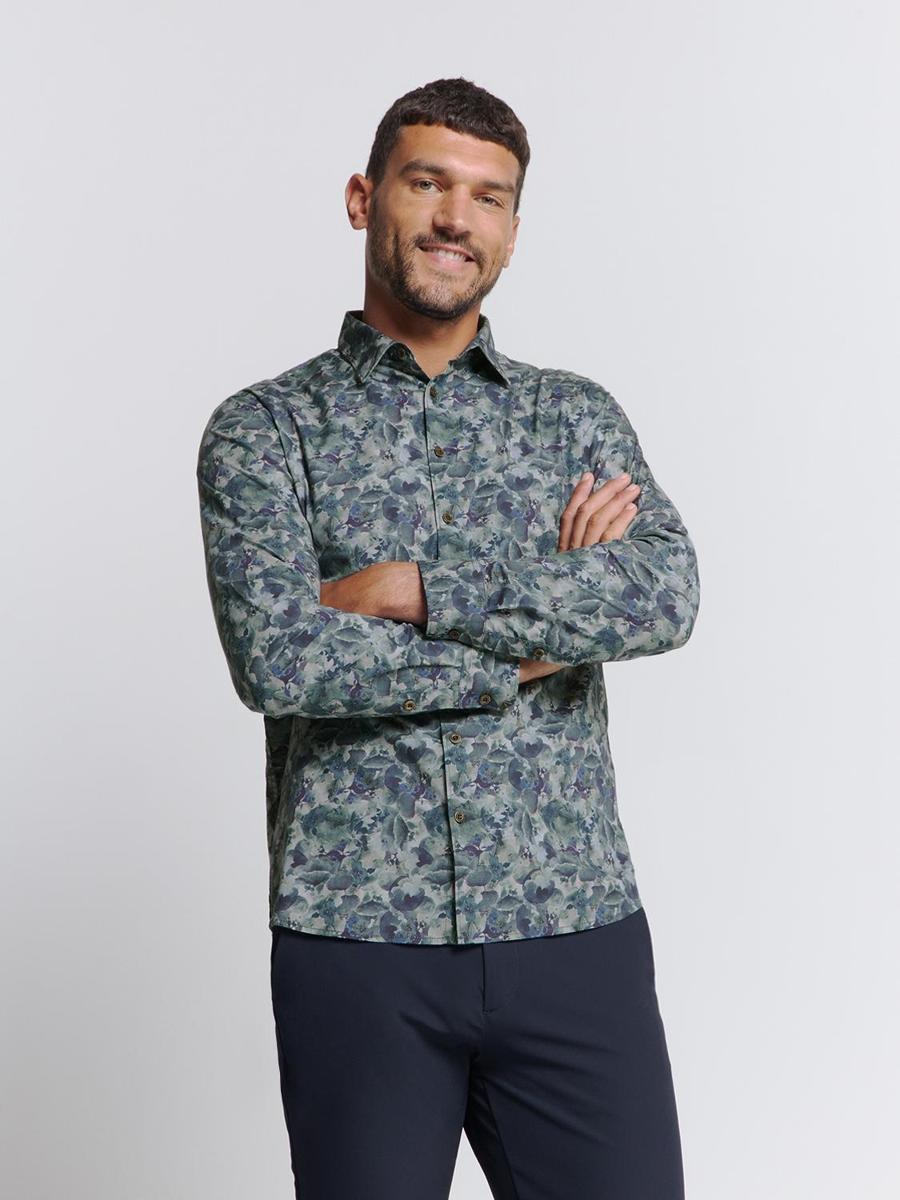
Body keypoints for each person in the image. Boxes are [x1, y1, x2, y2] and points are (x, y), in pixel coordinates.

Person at [196, 75, 700, 1200]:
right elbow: (280, 658)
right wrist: (538, 638)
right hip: (355, 937)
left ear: (512, 231)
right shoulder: (264, 431)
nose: (455, 219)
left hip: (573, 921)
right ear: (362, 197)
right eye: (428, 183)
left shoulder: (574, 417)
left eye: (488, 197)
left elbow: (663, 593)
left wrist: (408, 590)